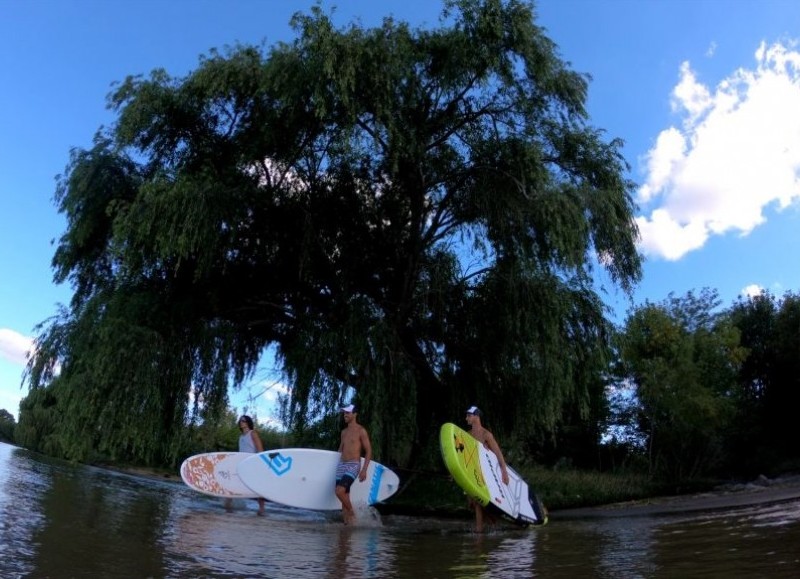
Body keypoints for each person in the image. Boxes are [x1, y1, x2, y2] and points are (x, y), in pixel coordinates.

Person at [465, 405, 509, 532]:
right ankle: (493, 523)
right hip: (471, 472)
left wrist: (504, 471)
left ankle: (479, 532)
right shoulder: (467, 435)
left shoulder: (486, 435)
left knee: (478, 502)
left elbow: (498, 453)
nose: (466, 418)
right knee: (472, 504)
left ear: (476, 417)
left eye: (469, 415)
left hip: (484, 473)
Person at [334, 404, 372, 525]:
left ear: (355, 414)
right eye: (344, 413)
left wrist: (364, 470)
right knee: (344, 498)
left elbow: (369, 451)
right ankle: (348, 528)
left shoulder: (361, 431)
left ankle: (352, 512)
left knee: (339, 491)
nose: (345, 415)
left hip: (353, 465)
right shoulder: (343, 432)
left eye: (348, 413)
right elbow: (340, 450)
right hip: (341, 465)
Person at [237, 414, 266, 515]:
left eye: (243, 421)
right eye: (240, 421)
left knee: (258, 486)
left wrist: (260, 464)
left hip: (252, 464)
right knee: (234, 482)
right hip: (242, 465)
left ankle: (261, 509)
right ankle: (229, 505)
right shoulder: (240, 437)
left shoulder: (253, 433)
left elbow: (260, 450)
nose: (241, 422)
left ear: (248, 422)